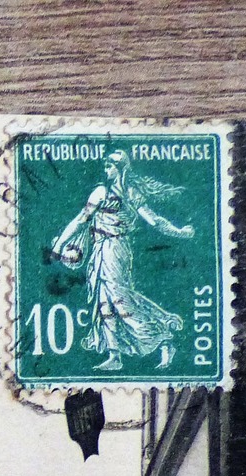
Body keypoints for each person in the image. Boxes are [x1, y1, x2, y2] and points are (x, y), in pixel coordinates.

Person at [49, 150, 194, 373]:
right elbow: (81, 220)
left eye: (110, 166)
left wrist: (180, 232)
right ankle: (114, 355)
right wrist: (59, 247)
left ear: (121, 169)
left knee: (120, 300)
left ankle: (163, 339)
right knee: (103, 301)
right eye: (105, 166)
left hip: (116, 249)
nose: (106, 169)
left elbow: (154, 220)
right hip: (99, 249)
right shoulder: (100, 192)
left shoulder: (131, 192)